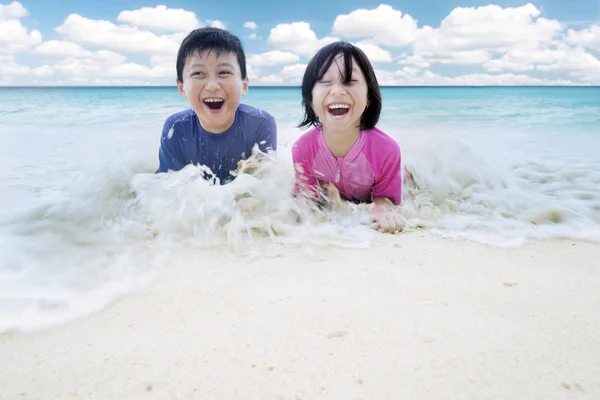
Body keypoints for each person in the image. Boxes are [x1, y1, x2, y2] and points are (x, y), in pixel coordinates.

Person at [292, 41, 403, 234]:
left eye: (350, 81)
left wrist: (382, 208)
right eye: (325, 82)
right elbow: (307, 201)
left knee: (410, 179)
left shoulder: (387, 150)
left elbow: (384, 200)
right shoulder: (302, 149)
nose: (337, 91)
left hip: (384, 179)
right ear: (310, 98)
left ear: (369, 96)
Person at [156, 27, 277, 184]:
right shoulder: (176, 129)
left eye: (224, 72)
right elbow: (167, 190)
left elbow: (265, 186)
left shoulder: (261, 123)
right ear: (181, 88)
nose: (212, 85)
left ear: (244, 85)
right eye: (198, 73)